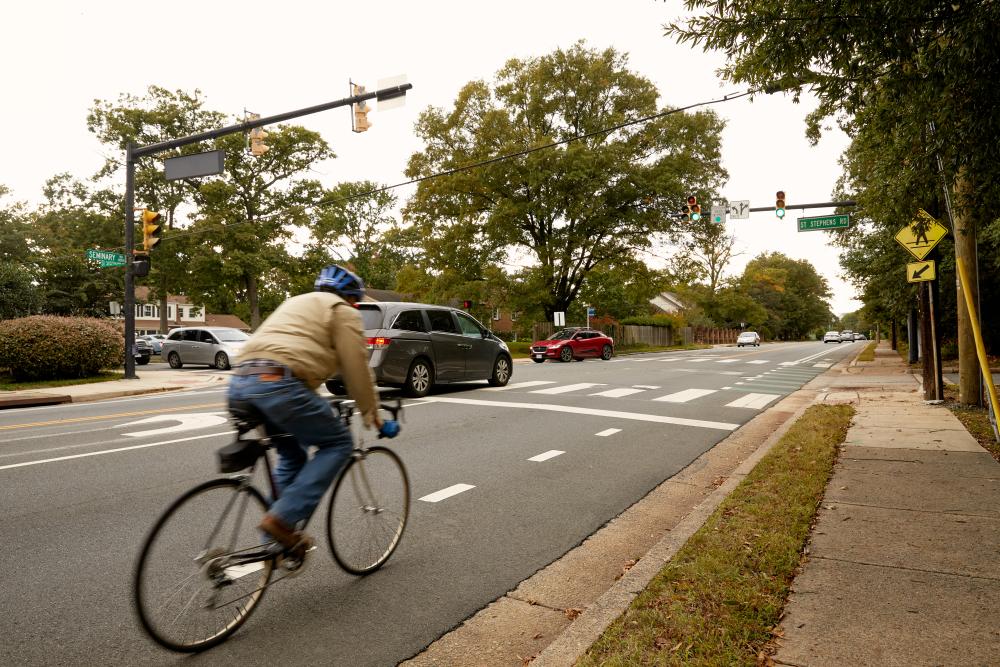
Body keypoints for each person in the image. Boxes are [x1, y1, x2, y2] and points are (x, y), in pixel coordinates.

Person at [227, 265, 388, 559]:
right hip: (278, 383)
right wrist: (372, 415)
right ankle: (280, 521)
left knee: (293, 454)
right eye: (356, 301)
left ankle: (275, 541)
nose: (356, 306)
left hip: (240, 382)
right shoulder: (343, 311)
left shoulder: (295, 303)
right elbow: (357, 368)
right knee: (338, 444)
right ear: (351, 298)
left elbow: (297, 355)